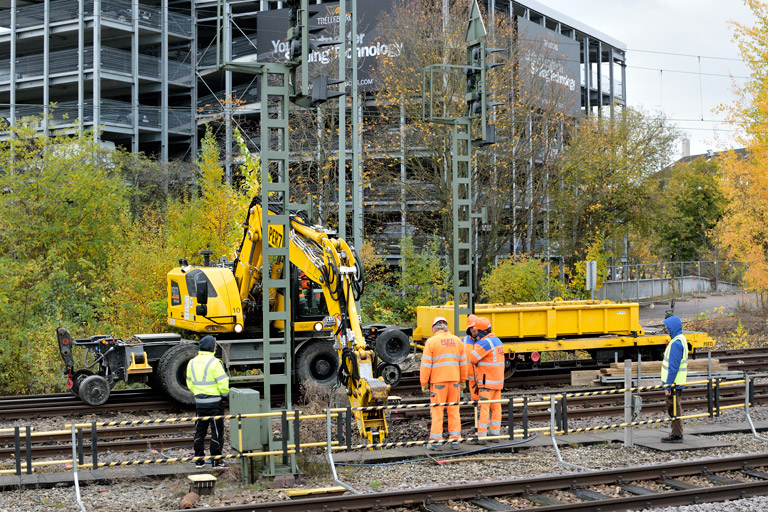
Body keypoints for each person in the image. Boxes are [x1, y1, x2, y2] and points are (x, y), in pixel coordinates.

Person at [420, 316, 468, 451]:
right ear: (446, 327)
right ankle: (455, 440)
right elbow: (463, 364)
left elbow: (425, 365)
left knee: (437, 412)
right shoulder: (457, 341)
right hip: (454, 382)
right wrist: (463, 380)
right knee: (454, 411)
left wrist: (424, 383)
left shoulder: (431, 342)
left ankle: (436, 441)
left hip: (438, 383)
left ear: (434, 328)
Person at [186, 335, 230, 467]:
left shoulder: (192, 362)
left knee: (200, 431)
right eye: (215, 344)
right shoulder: (215, 363)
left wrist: (199, 394)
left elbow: (189, 383)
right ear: (212, 347)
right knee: (216, 432)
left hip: (200, 403)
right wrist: (224, 396)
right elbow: (223, 383)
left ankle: (199, 460)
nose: (216, 346)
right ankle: (216, 460)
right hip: (215, 403)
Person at [468, 317, 505, 443]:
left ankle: (482, 436)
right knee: (496, 407)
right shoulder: (498, 341)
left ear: (481, 330)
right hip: (498, 382)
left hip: (486, 382)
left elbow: (473, 358)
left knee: (484, 407)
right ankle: (495, 433)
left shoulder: (485, 343)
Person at [661, 315, 688, 443]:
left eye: (667, 328)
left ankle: (677, 434)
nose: (666, 330)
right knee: (674, 408)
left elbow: (673, 368)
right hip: (677, 382)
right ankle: (676, 432)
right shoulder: (681, 339)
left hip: (674, 384)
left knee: (674, 409)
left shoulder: (676, 344)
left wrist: (668, 386)